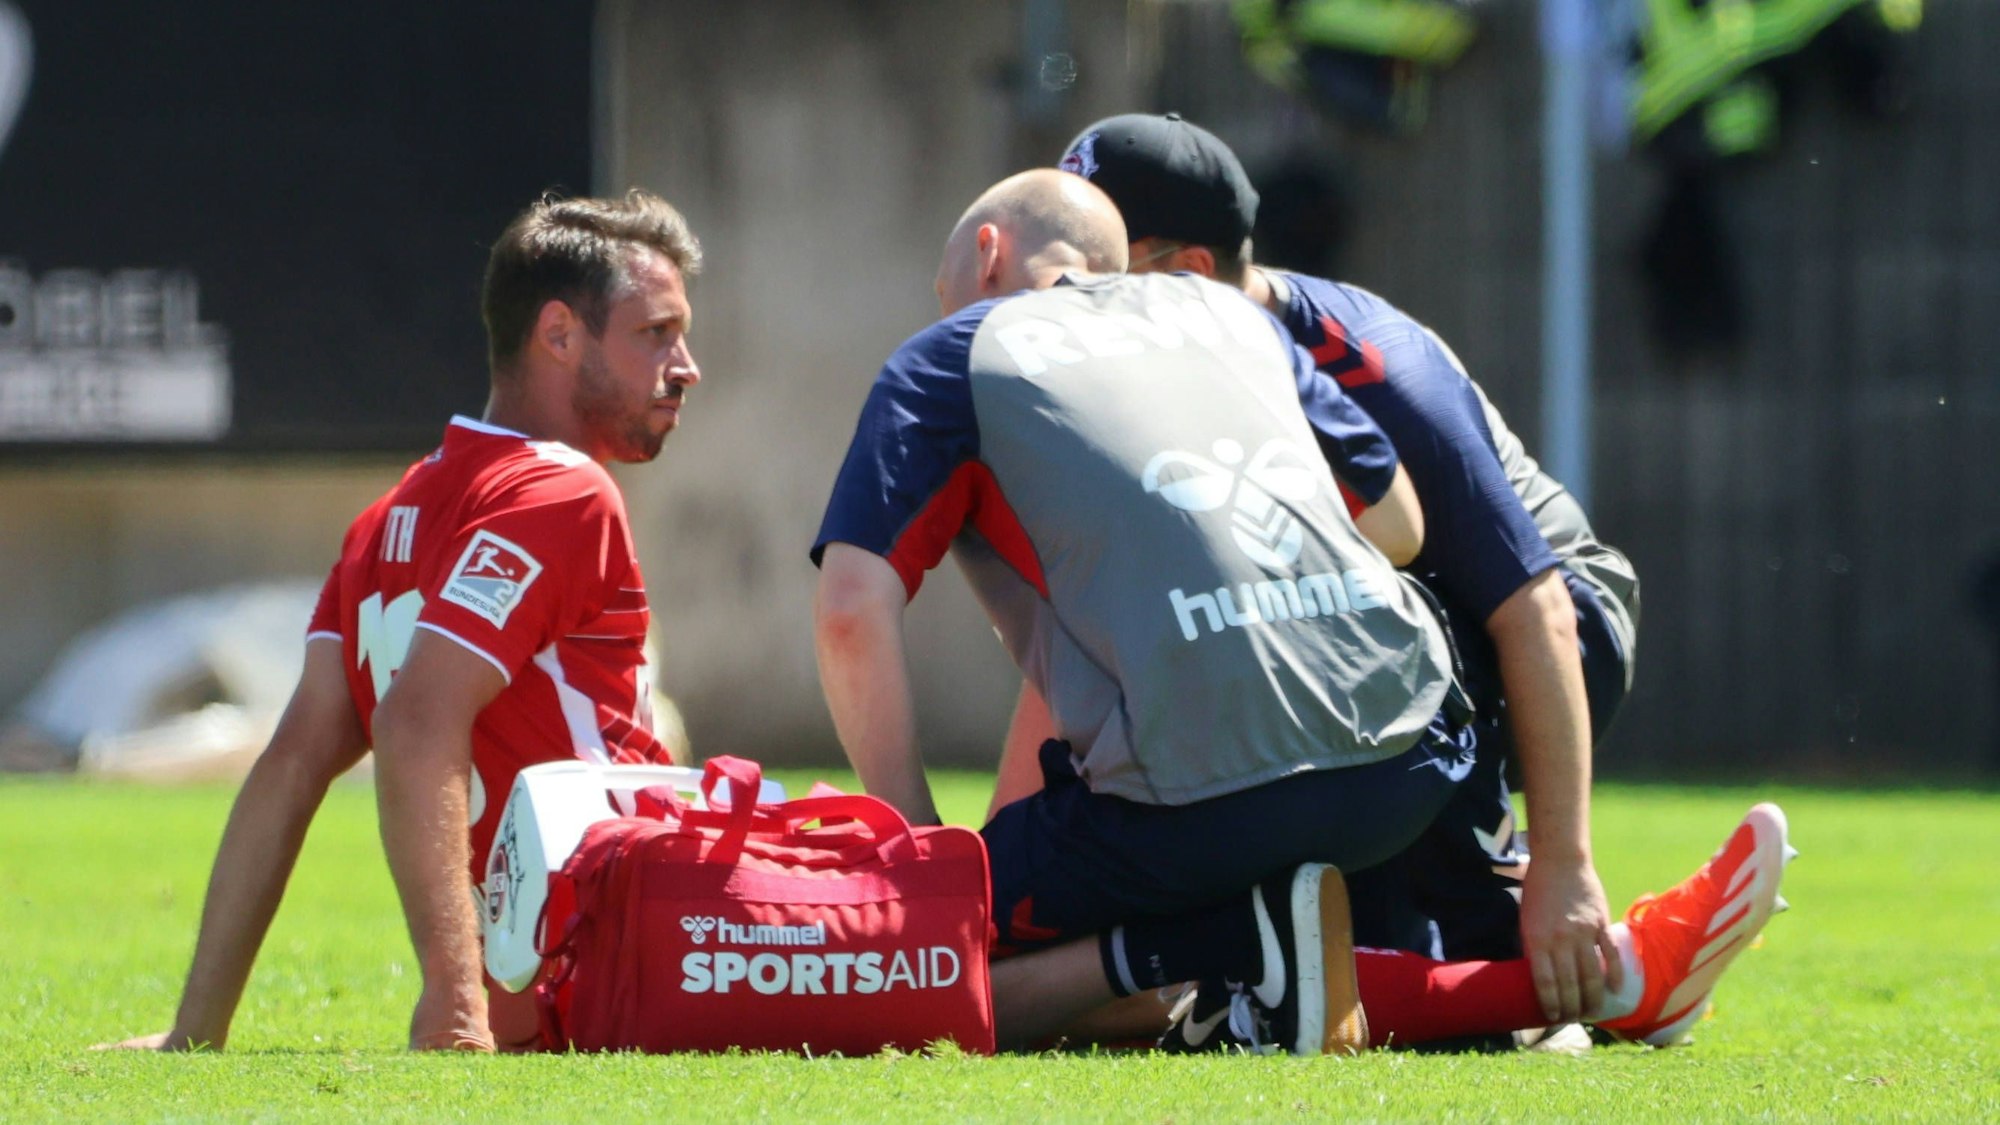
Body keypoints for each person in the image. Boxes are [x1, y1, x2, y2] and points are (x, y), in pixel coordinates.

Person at [811, 169, 1782, 1054]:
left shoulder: (955, 355)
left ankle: (1199, 943)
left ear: (984, 256)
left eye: (944, 290)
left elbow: (851, 607)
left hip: (1195, 798)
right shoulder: (1233, 319)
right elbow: (1398, 524)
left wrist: (916, 855)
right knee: (1290, 969)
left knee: (920, 969)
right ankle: (1613, 978)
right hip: (1405, 762)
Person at [1053, 113, 1643, 1017]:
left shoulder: (1375, 365)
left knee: (1331, 614)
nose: (1064, 301)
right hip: (1400, 629)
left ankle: (1515, 925)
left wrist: (1569, 868)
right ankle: (1468, 966)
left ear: (1185, 273)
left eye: (1095, 268)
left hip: (1559, 620)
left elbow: (1537, 610)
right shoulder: (1149, 373)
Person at [101, 189, 703, 1053]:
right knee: (903, 933)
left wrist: (194, 1034)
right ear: (561, 335)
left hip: (557, 996)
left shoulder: (386, 520)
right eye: (657, 332)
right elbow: (419, 721)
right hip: (621, 982)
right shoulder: (564, 490)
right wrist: (456, 1004)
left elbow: (289, 766)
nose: (685, 364)